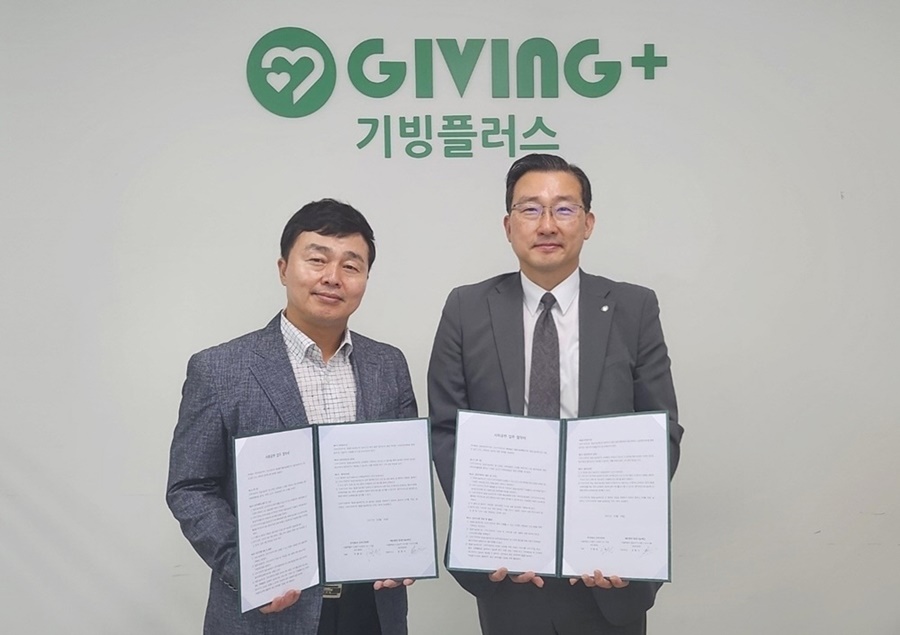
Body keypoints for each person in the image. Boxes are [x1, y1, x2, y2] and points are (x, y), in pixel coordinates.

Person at [428, 154, 683, 635]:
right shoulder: (466, 308)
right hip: (507, 566)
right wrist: (490, 529)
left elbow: (661, 430)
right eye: (530, 209)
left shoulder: (633, 307)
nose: (547, 224)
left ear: (588, 223)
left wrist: (621, 525)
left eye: (564, 209)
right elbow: (447, 430)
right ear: (508, 226)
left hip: (609, 570)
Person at [167, 199, 417, 635]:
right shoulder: (220, 369)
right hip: (269, 611)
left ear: (365, 279)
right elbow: (191, 487)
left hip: (371, 607)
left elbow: (401, 478)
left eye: (351, 266)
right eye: (317, 259)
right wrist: (247, 569)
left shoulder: (388, 365)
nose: (332, 277)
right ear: (284, 268)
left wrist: (404, 546)